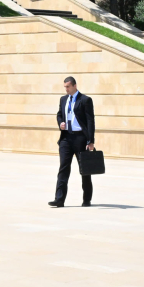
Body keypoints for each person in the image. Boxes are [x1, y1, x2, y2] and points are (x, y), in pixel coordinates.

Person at [49, 76, 95, 208]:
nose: (66, 89)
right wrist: (60, 123)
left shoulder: (85, 100)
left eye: (68, 86)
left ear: (74, 86)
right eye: (65, 87)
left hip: (80, 138)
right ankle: (59, 199)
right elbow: (59, 114)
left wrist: (90, 140)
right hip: (66, 138)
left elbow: (90, 121)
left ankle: (87, 199)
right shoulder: (63, 99)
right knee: (63, 168)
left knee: (84, 170)